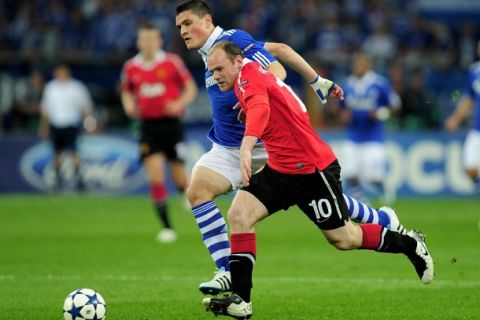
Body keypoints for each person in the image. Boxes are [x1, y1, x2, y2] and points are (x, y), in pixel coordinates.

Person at [175, 0, 405, 294]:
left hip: (265, 142)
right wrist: (317, 80)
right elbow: (281, 48)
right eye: (179, 26)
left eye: (187, 23)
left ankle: (381, 219)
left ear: (206, 20)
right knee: (197, 191)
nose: (182, 31)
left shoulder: (233, 40)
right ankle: (227, 270)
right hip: (229, 146)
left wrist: (253, 99)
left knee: (314, 198)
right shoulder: (218, 51)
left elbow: (276, 70)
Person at [202, 41, 434, 319]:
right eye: (211, 71)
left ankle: (409, 244)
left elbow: (261, 107)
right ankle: (241, 300)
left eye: (219, 69)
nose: (215, 76)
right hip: (280, 169)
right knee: (239, 215)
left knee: (343, 238)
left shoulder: (248, 77)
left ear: (238, 61)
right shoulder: (246, 77)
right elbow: (270, 97)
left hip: (311, 169)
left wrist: (246, 147)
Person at [121, 22, 198, 243]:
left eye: (151, 39)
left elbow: (190, 88)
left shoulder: (171, 62)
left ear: (159, 41)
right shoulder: (131, 67)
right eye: (143, 39)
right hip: (148, 127)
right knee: (155, 177)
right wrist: (127, 105)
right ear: (138, 42)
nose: (147, 43)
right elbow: (126, 91)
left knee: (179, 176)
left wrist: (179, 103)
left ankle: (185, 192)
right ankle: (167, 227)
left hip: (171, 125)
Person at [337, 52, 400, 204]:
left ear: (369, 65)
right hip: (353, 135)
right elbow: (341, 108)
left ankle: (384, 186)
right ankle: (363, 203)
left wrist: (380, 113)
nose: (358, 67)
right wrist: (344, 115)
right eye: (356, 64)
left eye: (362, 64)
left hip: (373, 137)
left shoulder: (380, 83)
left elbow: (395, 105)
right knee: (351, 174)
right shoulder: (346, 85)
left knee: (373, 178)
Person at [39, 63, 94, 192]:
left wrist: (90, 124)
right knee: (57, 154)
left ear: (68, 73)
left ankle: (79, 181)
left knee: (75, 153)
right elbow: (46, 109)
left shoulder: (77, 87)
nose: (61, 75)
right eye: (59, 72)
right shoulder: (50, 87)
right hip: (56, 124)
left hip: (72, 124)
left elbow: (86, 107)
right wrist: (44, 126)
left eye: (63, 72)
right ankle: (57, 182)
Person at [444, 40, 480, 192]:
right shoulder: (475, 71)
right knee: (470, 168)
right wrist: (455, 118)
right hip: (477, 128)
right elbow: (468, 99)